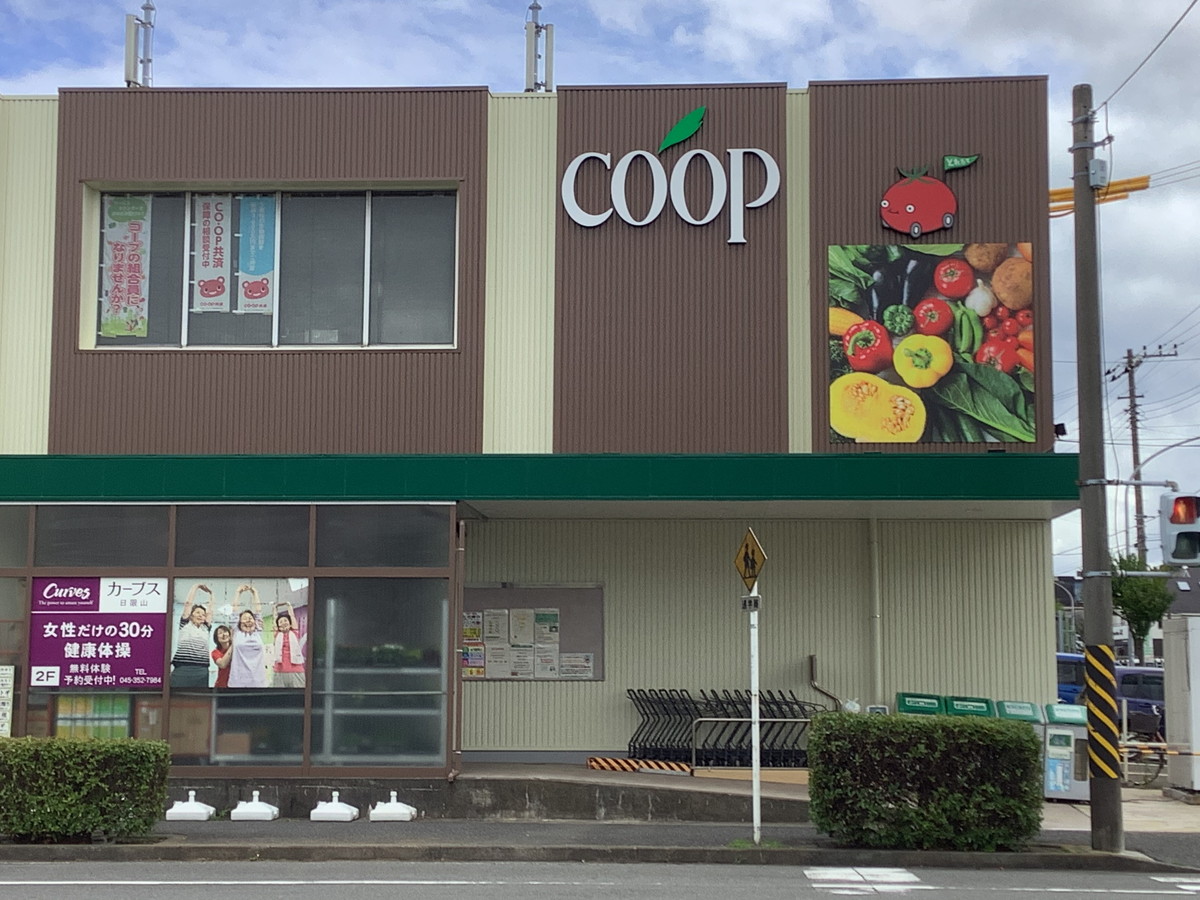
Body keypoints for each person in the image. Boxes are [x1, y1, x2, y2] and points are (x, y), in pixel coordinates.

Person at [170, 583, 213, 688]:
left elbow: (210, 612)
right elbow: (188, 603)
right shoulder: (185, 625)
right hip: (182, 670)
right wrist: (196, 586)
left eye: (203, 614)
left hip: (202, 672)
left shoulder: (205, 628)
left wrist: (211, 594)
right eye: (198, 613)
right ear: (191, 615)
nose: (201, 616)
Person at [227, 584, 269, 689]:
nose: (248, 619)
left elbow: (258, 611)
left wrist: (255, 593)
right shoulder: (237, 632)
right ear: (239, 622)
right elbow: (234, 612)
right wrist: (238, 592)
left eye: (250, 617)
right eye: (245, 618)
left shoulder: (258, 632)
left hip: (258, 680)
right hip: (238, 680)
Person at [272, 601, 306, 688]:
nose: (283, 623)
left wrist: (288, 605)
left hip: (296, 669)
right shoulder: (277, 634)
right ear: (278, 626)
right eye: (280, 622)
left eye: (285, 621)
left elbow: (292, 616)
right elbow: (274, 618)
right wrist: (275, 608)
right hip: (279, 670)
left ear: (290, 624)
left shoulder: (294, 632)